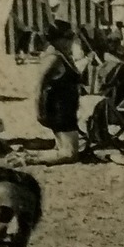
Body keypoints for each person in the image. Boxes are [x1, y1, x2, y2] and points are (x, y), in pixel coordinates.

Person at [32, 21, 85, 164]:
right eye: (68, 39)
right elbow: (39, 84)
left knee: (65, 150)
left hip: (64, 109)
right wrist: (38, 109)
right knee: (71, 155)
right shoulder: (53, 57)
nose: (70, 42)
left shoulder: (60, 55)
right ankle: (30, 160)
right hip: (59, 111)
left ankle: (32, 157)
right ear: (57, 39)